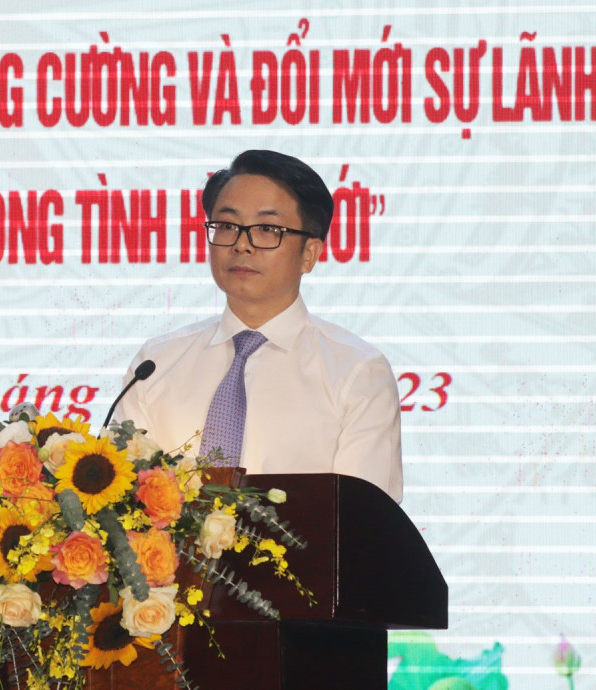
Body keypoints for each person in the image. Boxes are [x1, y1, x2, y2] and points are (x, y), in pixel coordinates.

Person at [115, 150, 403, 502]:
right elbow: (120, 501)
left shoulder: (356, 372)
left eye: (267, 229)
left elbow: (363, 518)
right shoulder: (157, 363)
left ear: (310, 254)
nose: (241, 245)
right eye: (227, 226)